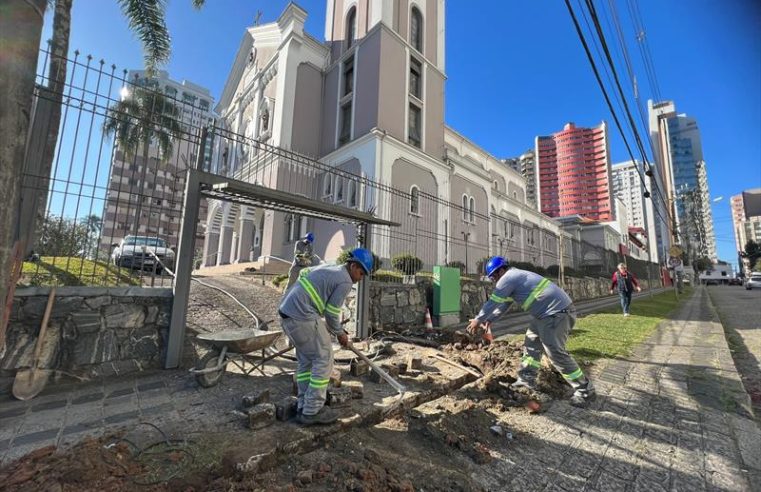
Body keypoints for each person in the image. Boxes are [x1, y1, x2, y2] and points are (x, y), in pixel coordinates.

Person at [466, 256, 595, 407]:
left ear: (502, 270)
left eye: (494, 275)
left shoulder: (508, 278)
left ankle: (585, 390)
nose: (494, 279)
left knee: (555, 352)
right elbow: (503, 305)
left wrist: (478, 319)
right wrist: (490, 320)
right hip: (546, 314)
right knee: (531, 342)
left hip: (556, 312)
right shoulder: (514, 278)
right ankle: (526, 379)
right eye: (492, 277)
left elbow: (492, 301)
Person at [278, 248, 374, 425]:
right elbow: (331, 313)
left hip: (288, 315)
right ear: (353, 266)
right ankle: (312, 410)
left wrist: (337, 330)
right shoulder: (345, 280)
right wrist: (340, 334)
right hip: (302, 316)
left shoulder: (331, 269)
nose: (360, 278)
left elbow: (305, 272)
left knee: (307, 361)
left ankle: (303, 405)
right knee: (324, 357)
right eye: (361, 273)